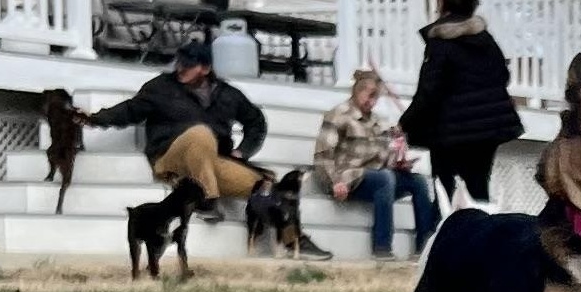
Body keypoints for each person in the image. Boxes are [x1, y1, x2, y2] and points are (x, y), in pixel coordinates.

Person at [86, 40, 331, 258]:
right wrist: (94, 119)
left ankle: (292, 240)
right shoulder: (161, 87)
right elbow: (129, 110)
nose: (181, 68)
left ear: (205, 68)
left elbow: (256, 121)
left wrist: (243, 152)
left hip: (211, 162)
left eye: (188, 64)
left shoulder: (227, 94)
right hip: (170, 158)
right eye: (180, 62)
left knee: (269, 186)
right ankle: (207, 200)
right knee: (200, 133)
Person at [399, 0, 524, 207]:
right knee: (478, 185)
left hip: (451, 130)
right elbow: (503, 76)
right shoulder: (486, 41)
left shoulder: (440, 44)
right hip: (490, 128)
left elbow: (429, 90)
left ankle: (447, 234)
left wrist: (405, 123)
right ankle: (482, 233)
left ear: (445, 13)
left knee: (445, 187)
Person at [314, 69, 440, 259]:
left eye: (376, 98)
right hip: (348, 177)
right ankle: (382, 246)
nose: (371, 102)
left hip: (376, 176)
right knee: (384, 178)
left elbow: (383, 157)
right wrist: (334, 181)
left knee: (418, 182)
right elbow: (323, 153)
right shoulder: (338, 115)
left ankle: (425, 246)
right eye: (369, 96)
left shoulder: (377, 122)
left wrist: (399, 162)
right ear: (357, 91)